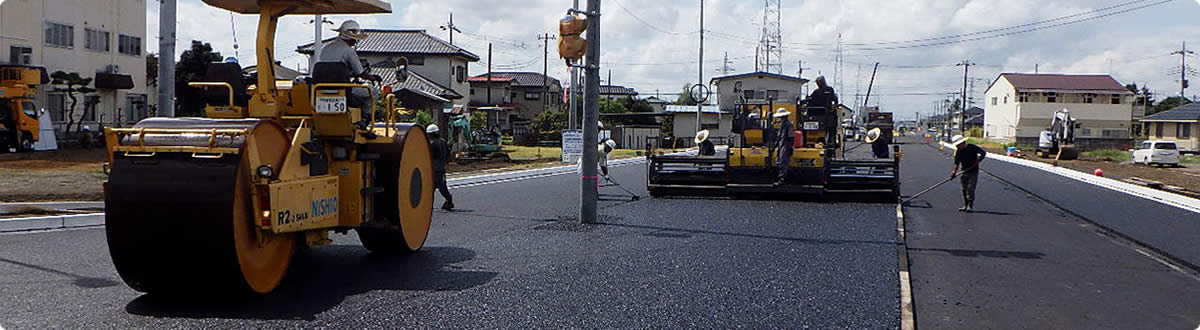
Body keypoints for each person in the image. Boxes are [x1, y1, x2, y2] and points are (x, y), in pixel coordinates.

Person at [950, 135, 987, 213]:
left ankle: (970, 206)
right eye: (957, 145)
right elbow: (956, 163)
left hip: (973, 171)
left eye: (959, 144)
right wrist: (954, 172)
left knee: (970, 189)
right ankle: (965, 205)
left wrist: (976, 162)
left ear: (963, 142)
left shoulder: (972, 147)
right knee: (964, 189)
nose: (958, 146)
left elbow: (983, 153)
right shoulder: (958, 151)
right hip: (964, 171)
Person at [427, 124, 454, 211]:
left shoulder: (433, 144)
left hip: (435, 169)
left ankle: (449, 200)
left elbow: (429, 156)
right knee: (433, 186)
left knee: (439, 186)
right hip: (441, 167)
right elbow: (448, 155)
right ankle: (427, 204)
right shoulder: (443, 141)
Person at [773, 108, 793, 183]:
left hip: (785, 144)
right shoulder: (782, 125)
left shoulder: (788, 125)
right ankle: (780, 177)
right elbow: (779, 137)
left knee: (783, 161)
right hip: (781, 144)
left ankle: (782, 178)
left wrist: (790, 147)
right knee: (779, 161)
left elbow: (791, 137)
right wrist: (775, 146)